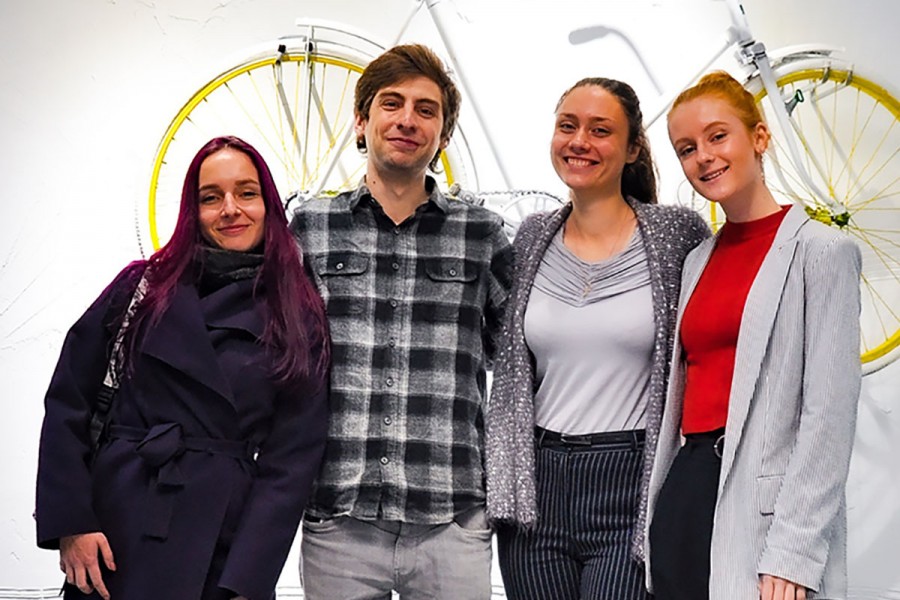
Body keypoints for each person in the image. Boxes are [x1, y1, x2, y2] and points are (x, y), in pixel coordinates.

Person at [35, 136, 330, 600]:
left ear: (268, 204)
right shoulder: (141, 287)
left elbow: (291, 462)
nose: (230, 209)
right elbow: (69, 401)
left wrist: (246, 581)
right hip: (113, 533)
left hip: (220, 546)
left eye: (246, 193)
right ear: (193, 211)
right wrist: (72, 523)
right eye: (210, 197)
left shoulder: (295, 312)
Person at [290, 44, 513, 599]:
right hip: (339, 516)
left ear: (444, 134)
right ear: (361, 120)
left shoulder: (482, 234)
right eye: (391, 103)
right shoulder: (311, 228)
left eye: (426, 109)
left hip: (452, 518)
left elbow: (518, 356)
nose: (407, 120)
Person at [484, 77, 710, 600]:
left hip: (630, 483)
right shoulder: (532, 236)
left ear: (632, 149)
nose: (579, 141)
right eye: (568, 126)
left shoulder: (676, 235)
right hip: (537, 486)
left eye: (600, 130)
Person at [645, 71, 862, 600]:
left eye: (718, 136)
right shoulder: (697, 259)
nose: (704, 157)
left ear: (759, 137)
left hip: (766, 513)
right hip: (687, 492)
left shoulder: (822, 251)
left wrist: (794, 549)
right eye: (687, 149)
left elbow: (828, 415)